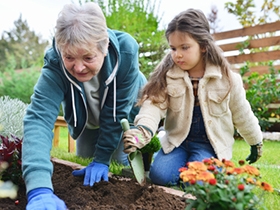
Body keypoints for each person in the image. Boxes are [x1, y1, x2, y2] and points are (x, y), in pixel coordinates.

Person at [22, 2, 146, 209]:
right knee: (85, 159)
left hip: (122, 112)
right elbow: (39, 118)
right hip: (88, 118)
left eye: (88, 57)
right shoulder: (55, 61)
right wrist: (39, 188)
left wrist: (103, 159)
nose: (78, 67)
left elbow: (116, 112)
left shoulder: (126, 51)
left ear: (105, 46)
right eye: (69, 57)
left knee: (116, 163)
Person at [122, 8, 263, 187]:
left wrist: (255, 142)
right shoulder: (168, 76)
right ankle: (189, 170)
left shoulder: (227, 80)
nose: (177, 54)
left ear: (203, 46)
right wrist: (141, 133)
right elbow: (153, 106)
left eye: (184, 47)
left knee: (198, 182)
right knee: (160, 176)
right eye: (173, 48)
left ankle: (208, 171)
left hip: (210, 145)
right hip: (178, 142)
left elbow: (243, 114)